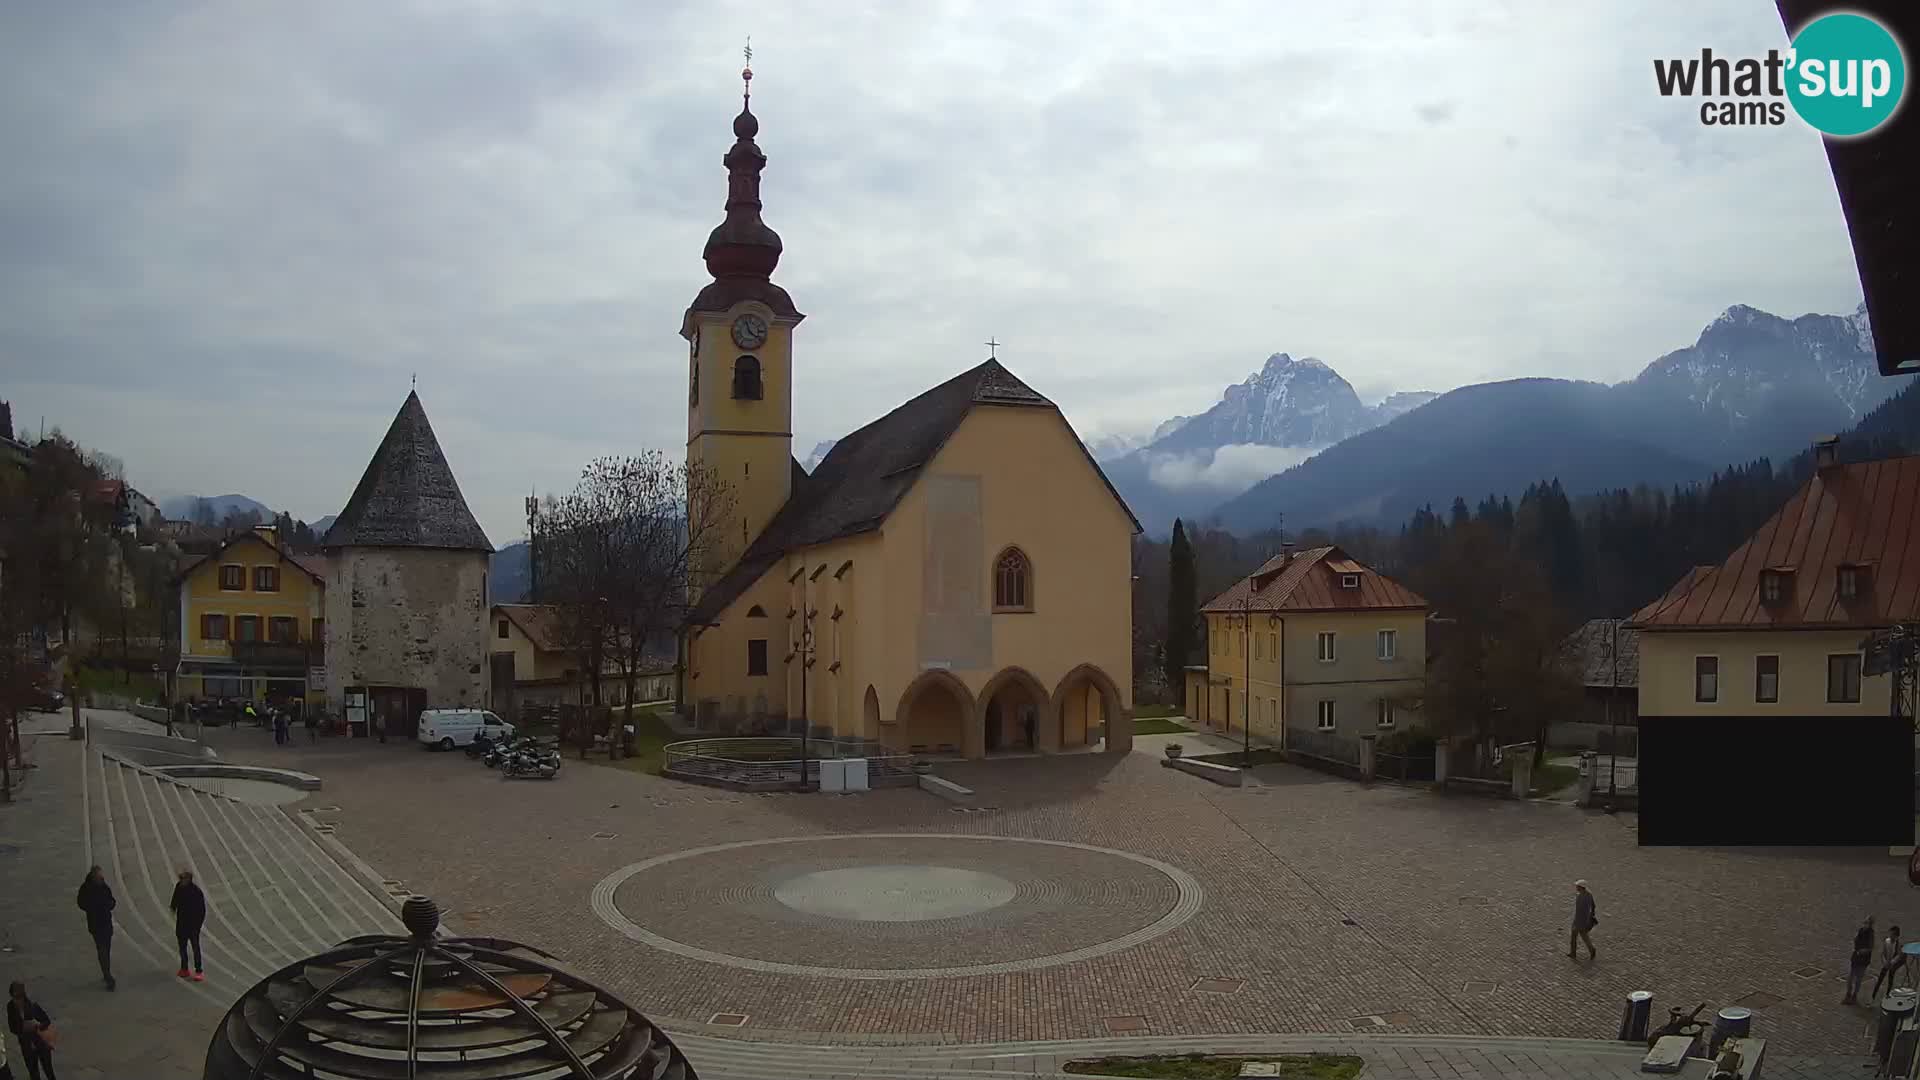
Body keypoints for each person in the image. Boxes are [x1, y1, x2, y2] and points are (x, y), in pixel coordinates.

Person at [74, 866, 116, 991]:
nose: (101, 878)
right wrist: (91, 908)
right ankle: (108, 975)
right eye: (99, 877)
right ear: (94, 877)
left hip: (106, 922)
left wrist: (110, 904)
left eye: (101, 876)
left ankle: (106, 970)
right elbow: (81, 902)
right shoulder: (86, 888)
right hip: (95, 924)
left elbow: (111, 899)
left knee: (106, 948)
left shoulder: (103, 886)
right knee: (102, 948)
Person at [5, 981, 53, 1080]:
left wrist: (37, 1025)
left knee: (49, 1072)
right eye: (14, 997)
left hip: (41, 1043)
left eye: (18, 997)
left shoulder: (32, 1005)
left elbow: (46, 1021)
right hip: (27, 1046)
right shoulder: (10, 1007)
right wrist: (22, 1028)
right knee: (34, 1075)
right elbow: (12, 1027)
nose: (16, 1001)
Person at [170, 869, 207, 982]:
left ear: (189, 880)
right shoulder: (179, 887)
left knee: (195, 947)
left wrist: (198, 925)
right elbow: (174, 901)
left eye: (183, 879)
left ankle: (199, 970)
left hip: (193, 925)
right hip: (181, 923)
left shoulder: (196, 892)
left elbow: (202, 910)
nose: (181, 881)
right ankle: (184, 968)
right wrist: (173, 908)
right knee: (182, 947)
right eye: (180, 879)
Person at [1848, 916, 1877, 1004]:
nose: (1865, 924)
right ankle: (1848, 994)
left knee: (1858, 978)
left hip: (1863, 959)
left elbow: (1870, 948)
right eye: (1864, 922)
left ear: (1870, 924)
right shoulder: (1860, 930)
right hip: (1856, 957)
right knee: (1850, 977)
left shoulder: (1870, 934)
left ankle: (1854, 996)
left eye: (1867, 923)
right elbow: (1855, 940)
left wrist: (1862, 951)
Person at [1873, 925, 1906, 1003]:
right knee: (1879, 980)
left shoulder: (1898, 944)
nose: (1890, 936)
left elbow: (1899, 956)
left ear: (1896, 936)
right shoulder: (1887, 941)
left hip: (1892, 965)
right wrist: (1884, 962)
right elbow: (1883, 953)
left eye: (1892, 935)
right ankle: (1873, 996)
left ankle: (1887, 995)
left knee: (1890, 979)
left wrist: (1891, 963)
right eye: (1890, 934)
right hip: (1886, 963)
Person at [1568, 879, 1597, 961]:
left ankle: (1589, 950)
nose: (1576, 887)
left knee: (1580, 937)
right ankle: (1575, 952)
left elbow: (1582, 910)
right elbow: (1593, 906)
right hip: (1581, 920)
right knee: (1579, 937)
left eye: (1577, 886)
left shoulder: (1582, 896)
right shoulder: (1587, 895)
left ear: (1581, 887)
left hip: (1580, 921)